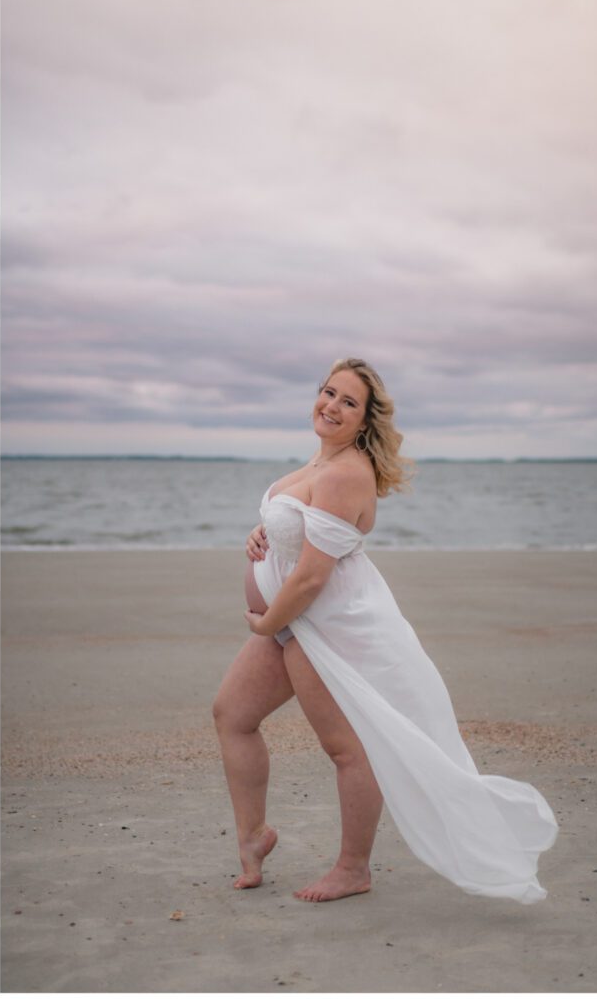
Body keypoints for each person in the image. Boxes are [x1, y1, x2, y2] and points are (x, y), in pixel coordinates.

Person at [212, 357, 558, 904]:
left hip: (323, 624)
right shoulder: (318, 461)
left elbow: (309, 580)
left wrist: (265, 624)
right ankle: (254, 838)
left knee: (347, 749)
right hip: (292, 622)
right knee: (232, 715)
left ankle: (354, 869)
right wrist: (263, 534)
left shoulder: (349, 471)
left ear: (365, 421)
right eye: (328, 393)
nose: (331, 406)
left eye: (348, 402)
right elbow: (298, 530)